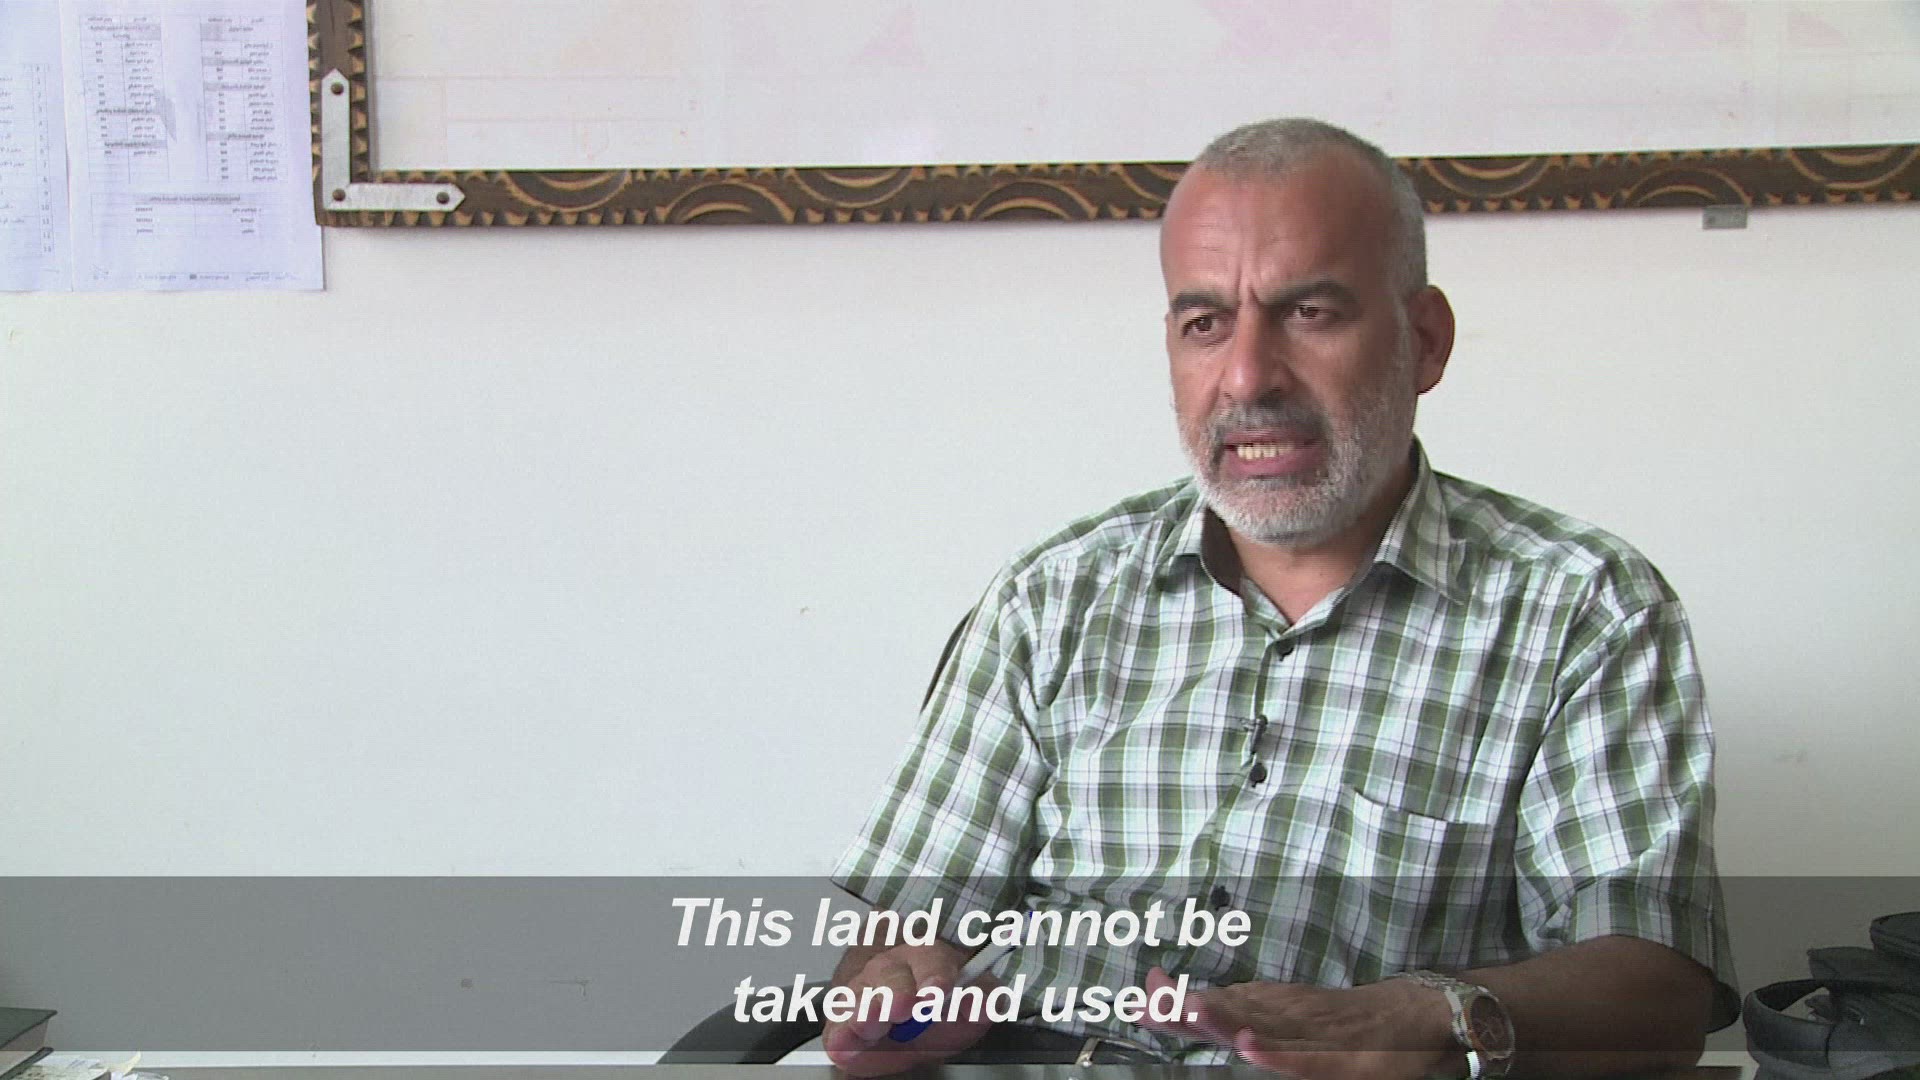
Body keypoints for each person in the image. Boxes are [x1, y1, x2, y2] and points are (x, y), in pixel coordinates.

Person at [823, 118, 1737, 1080]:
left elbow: (1657, 994)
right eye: (1206, 324)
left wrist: (1425, 1013)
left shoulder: (1582, 610)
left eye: (1309, 312)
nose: (1248, 376)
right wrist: (901, 1002)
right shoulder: (1053, 597)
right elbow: (899, 939)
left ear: (1425, 341)